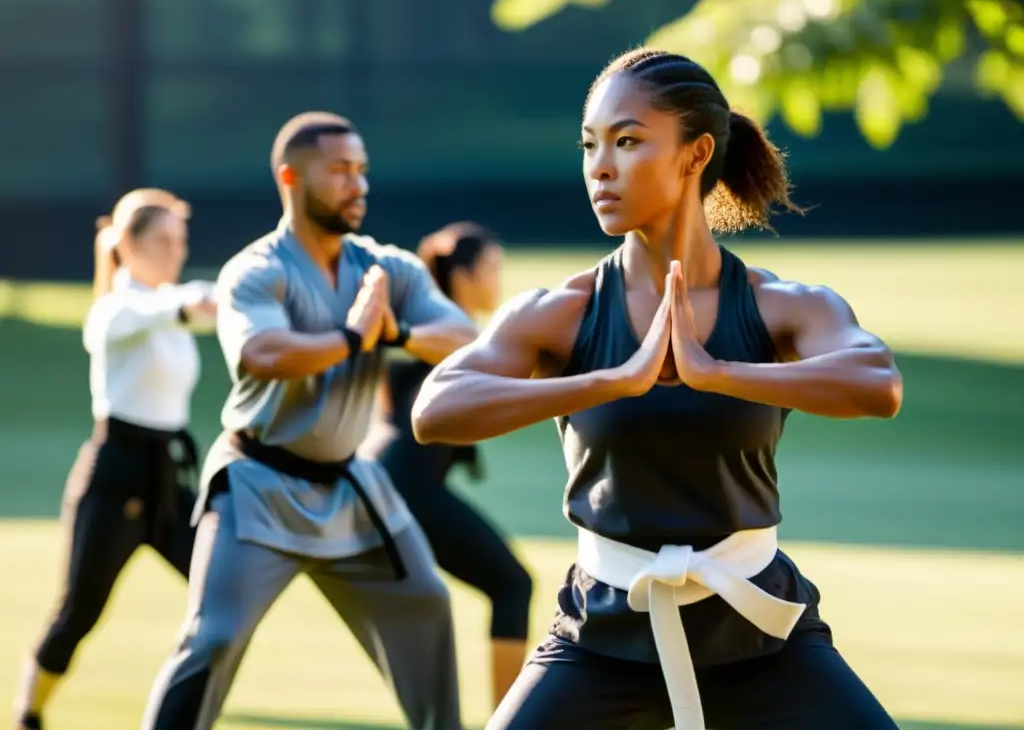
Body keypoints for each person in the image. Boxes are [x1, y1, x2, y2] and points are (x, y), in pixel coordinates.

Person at [411, 48, 904, 730]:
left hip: (760, 632)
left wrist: (717, 372)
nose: (600, 167)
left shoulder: (781, 304)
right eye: (590, 146)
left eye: (628, 140)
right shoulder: (561, 310)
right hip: (601, 636)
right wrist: (609, 381)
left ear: (696, 154)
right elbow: (435, 411)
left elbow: (877, 385)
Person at [140, 111, 478, 730]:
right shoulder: (258, 269)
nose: (358, 185)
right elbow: (260, 354)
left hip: (352, 488)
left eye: (362, 171)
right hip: (257, 486)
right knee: (211, 638)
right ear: (291, 177)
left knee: (428, 604)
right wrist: (353, 336)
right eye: (341, 171)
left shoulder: (386, 268)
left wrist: (395, 330)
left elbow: (464, 336)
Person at [13, 189, 216, 730]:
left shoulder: (169, 307)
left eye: (182, 241)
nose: (176, 252)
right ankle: (29, 714)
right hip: (114, 476)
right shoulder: (116, 310)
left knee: (223, 592)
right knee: (79, 611)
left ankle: (187, 709)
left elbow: (197, 307)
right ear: (127, 245)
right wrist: (190, 300)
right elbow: (150, 312)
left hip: (169, 479)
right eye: (164, 241)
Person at [361, 221, 533, 710]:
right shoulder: (447, 330)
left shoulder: (437, 328)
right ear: (463, 275)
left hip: (387, 480)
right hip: (403, 485)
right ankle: (512, 719)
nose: (498, 280)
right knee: (512, 584)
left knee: (430, 604)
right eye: (492, 269)